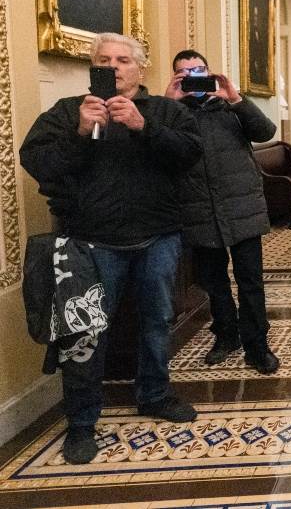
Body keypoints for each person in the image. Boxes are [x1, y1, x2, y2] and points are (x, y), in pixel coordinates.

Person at [19, 33, 202, 465]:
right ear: (93, 68)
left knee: (156, 320)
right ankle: (81, 422)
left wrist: (145, 127)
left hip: (157, 236)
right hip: (89, 242)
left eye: (123, 60)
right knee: (84, 334)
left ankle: (154, 394)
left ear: (140, 69)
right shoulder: (68, 112)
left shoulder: (165, 111)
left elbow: (190, 155)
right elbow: (38, 162)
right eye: (105, 60)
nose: (115, 66)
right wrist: (81, 133)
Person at [165, 50, 280, 374]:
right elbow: (157, 148)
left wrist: (237, 98)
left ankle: (258, 347)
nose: (194, 78)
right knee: (214, 283)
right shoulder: (172, 113)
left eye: (199, 70)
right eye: (185, 73)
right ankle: (227, 335)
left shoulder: (229, 108)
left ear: (210, 72)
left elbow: (266, 131)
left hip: (241, 208)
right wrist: (169, 103)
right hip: (198, 211)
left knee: (251, 283)